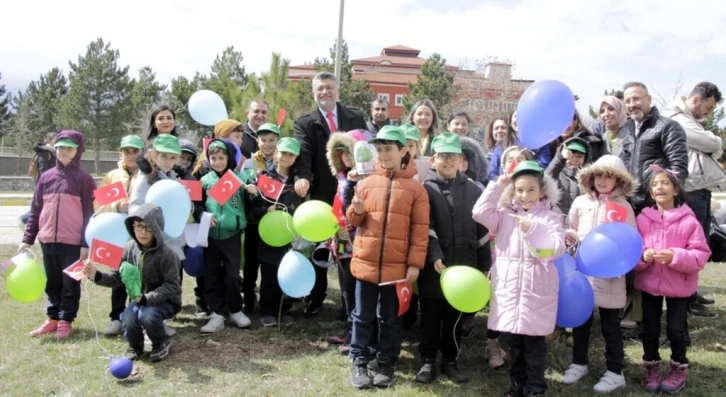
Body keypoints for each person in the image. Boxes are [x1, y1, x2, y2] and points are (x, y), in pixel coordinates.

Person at [472, 160, 565, 397]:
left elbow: (556, 250)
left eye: (531, 190)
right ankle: (517, 385)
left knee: (534, 346)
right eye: (519, 190)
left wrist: (533, 230)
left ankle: (535, 388)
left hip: (537, 291)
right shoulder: (504, 215)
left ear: (542, 191)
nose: (525, 195)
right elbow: (479, 212)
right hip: (510, 291)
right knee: (515, 345)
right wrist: (497, 185)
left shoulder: (551, 218)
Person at [347, 126, 429, 389]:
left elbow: (420, 230)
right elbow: (355, 220)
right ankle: (359, 361)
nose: (383, 154)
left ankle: (386, 362)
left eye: (388, 149)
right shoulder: (367, 183)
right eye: (379, 149)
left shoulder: (416, 190)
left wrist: (415, 263)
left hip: (396, 270)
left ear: (403, 150)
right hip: (366, 265)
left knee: (391, 319)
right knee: (362, 316)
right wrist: (356, 211)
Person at [415, 133, 491, 384]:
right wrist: (434, 255)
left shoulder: (473, 189)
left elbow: (482, 232)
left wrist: (484, 266)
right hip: (434, 268)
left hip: (464, 265)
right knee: (430, 316)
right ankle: (427, 361)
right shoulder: (426, 189)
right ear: (433, 159)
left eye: (452, 156)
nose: (447, 161)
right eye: (442, 156)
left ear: (461, 159)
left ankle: (450, 360)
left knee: (454, 318)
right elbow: (426, 226)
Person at [293, 71, 366, 317]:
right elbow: (303, 154)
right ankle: (316, 297)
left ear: (337, 91)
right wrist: (302, 177)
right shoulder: (304, 122)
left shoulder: (355, 116)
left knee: (351, 250)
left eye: (328, 88)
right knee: (321, 250)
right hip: (323, 197)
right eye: (319, 89)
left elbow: (365, 150)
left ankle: (351, 305)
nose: (324, 92)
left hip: (354, 195)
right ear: (314, 93)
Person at [562, 155, 636, 393]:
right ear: (591, 177)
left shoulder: (624, 207)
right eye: (599, 175)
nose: (603, 180)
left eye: (609, 176)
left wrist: (618, 262)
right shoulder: (580, 202)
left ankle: (615, 371)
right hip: (582, 273)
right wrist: (570, 235)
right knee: (581, 323)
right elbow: (569, 226)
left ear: (618, 180)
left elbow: (630, 239)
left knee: (610, 326)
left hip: (611, 278)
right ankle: (579, 363)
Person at [636, 167, 711, 394]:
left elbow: (700, 254)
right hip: (649, 283)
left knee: (676, 329)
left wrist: (675, 256)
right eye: (655, 184)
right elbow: (633, 249)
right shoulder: (642, 219)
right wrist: (644, 255)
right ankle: (652, 366)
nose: (660, 187)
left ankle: (679, 368)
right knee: (649, 329)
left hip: (679, 285)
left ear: (676, 189)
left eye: (665, 183)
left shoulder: (689, 221)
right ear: (650, 191)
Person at [19, 130, 96, 339]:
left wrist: (84, 243)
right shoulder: (46, 177)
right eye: (61, 147)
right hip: (48, 240)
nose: (64, 151)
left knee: (71, 283)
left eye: (69, 148)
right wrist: (27, 239)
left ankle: (66, 320)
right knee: (52, 282)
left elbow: (90, 215)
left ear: (77, 151)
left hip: (73, 243)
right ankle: (52, 319)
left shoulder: (85, 180)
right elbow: (35, 210)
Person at [83, 203, 181, 363]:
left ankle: (160, 343)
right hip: (138, 301)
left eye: (147, 227)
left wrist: (147, 298)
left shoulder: (168, 254)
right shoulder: (128, 248)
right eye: (138, 226)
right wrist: (96, 275)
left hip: (165, 302)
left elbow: (172, 286)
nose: (142, 232)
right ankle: (135, 346)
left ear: (156, 228)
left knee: (147, 315)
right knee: (128, 317)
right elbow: (116, 277)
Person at [663, 82, 723, 317]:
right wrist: (713, 142)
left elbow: (711, 146)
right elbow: (712, 144)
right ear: (696, 100)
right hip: (689, 189)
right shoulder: (676, 117)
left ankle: (691, 293)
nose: (709, 114)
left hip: (700, 187)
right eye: (708, 108)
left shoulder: (692, 120)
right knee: (688, 246)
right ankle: (685, 300)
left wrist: (711, 144)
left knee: (700, 244)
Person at [194, 138, 257, 333]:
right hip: (211, 236)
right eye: (213, 158)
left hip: (233, 235)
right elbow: (197, 205)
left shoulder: (241, 177)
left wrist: (253, 192)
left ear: (229, 157)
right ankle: (216, 314)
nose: (218, 162)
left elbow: (254, 204)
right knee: (211, 275)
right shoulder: (204, 181)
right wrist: (203, 215)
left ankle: (236, 310)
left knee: (232, 276)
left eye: (222, 157)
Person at [252, 137, 305, 327]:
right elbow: (254, 207)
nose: (286, 157)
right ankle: (267, 310)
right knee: (269, 272)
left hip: (292, 235)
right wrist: (265, 211)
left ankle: (285, 309)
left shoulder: (300, 181)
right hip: (270, 235)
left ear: (296, 157)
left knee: (290, 271)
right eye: (283, 152)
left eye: (291, 154)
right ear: (276, 153)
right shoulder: (265, 178)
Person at [95, 134, 145, 336]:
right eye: (127, 151)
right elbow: (98, 205)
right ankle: (116, 317)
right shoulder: (112, 176)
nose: (131, 155)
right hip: (117, 237)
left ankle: (138, 317)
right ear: (120, 153)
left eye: (135, 151)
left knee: (140, 278)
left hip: (141, 236)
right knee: (118, 277)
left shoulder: (148, 174)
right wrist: (117, 206)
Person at [623, 81, 688, 214]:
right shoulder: (627, 132)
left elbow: (678, 168)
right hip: (631, 207)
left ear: (649, 99)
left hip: (657, 206)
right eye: (627, 101)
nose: (632, 105)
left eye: (636, 99)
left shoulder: (668, 127)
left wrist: (664, 200)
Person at [325, 130, 363, 354]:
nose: (346, 158)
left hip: (355, 239)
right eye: (341, 154)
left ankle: (357, 334)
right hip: (340, 238)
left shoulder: (362, 178)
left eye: (349, 153)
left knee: (355, 287)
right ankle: (349, 329)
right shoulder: (341, 178)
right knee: (346, 288)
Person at [241, 122, 281, 314]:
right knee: (250, 264)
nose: (267, 144)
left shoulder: (282, 163)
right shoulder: (249, 163)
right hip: (253, 222)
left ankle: (269, 301)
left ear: (278, 141)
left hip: (274, 223)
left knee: (269, 264)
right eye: (264, 140)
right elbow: (243, 195)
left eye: (272, 140)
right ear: (257, 141)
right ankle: (248, 300)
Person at [489, 114, 551, 181]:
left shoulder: (541, 143)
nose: (519, 119)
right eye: (516, 116)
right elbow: (492, 172)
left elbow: (543, 166)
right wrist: (501, 184)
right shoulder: (501, 145)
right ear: (510, 122)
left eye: (522, 116)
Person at [545, 137, 591, 216]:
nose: (575, 159)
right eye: (570, 156)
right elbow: (548, 176)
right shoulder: (557, 174)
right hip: (558, 221)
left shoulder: (589, 178)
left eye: (579, 156)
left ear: (585, 158)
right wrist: (560, 158)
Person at [596, 96, 633, 163]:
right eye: (602, 111)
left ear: (620, 110)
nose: (606, 114)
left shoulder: (633, 134)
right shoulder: (602, 139)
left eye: (611, 109)